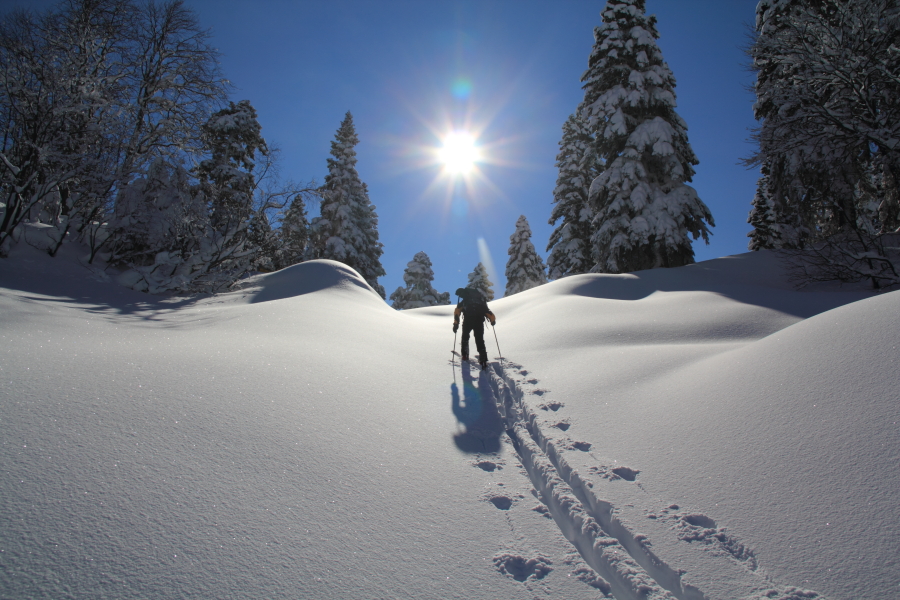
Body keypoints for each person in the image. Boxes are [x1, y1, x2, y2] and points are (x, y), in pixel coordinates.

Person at [452, 287, 496, 369]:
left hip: (468, 320)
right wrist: (492, 320)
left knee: (465, 337)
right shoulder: (480, 302)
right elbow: (487, 311)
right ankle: (483, 358)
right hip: (479, 321)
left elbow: (457, 312)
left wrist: (456, 324)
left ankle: (465, 355)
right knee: (479, 339)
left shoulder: (464, 301)